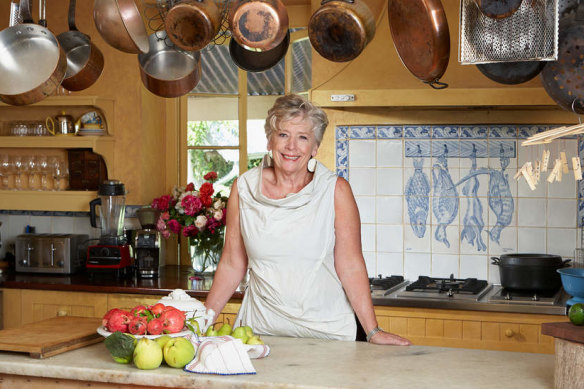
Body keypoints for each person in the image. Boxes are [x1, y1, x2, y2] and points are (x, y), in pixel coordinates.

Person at [204, 94, 410, 345]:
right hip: (259, 335)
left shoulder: (335, 190)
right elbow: (232, 262)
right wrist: (202, 322)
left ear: (314, 147)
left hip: (327, 335)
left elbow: (351, 264)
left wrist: (373, 331)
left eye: (302, 137)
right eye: (283, 135)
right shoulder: (244, 188)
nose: (292, 146)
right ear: (270, 140)